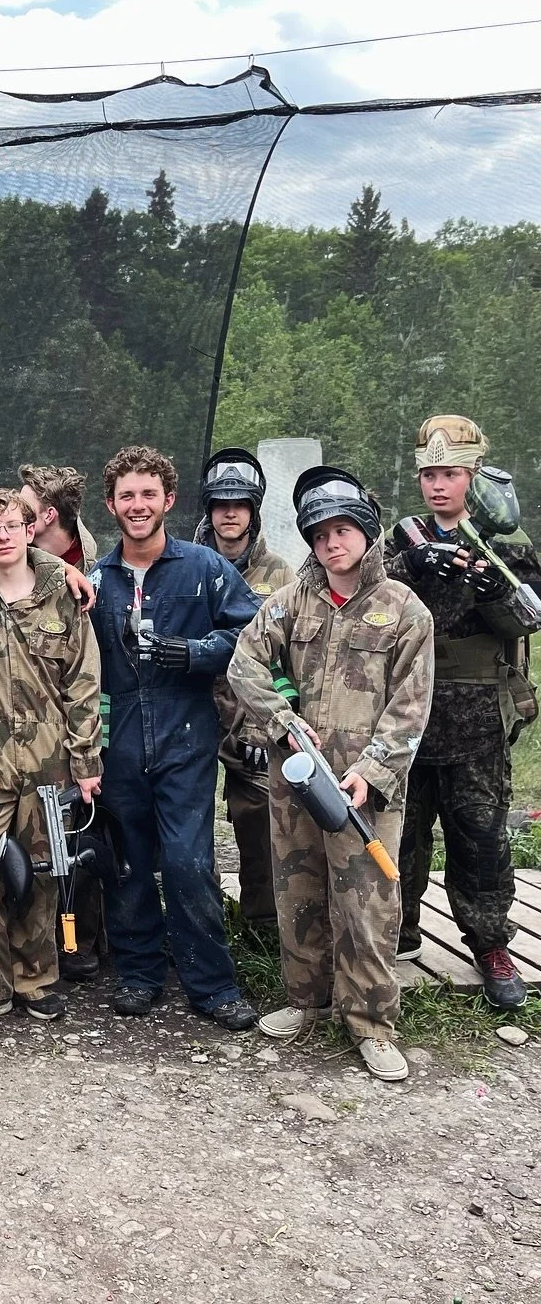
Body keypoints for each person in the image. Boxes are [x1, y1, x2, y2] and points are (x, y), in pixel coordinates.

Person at [230, 467, 434, 1080]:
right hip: (298, 778)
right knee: (299, 892)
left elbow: (412, 703)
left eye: (342, 531)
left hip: (366, 791)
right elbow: (245, 664)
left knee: (367, 904)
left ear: (366, 534)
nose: (330, 545)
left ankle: (371, 1022)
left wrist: (373, 769)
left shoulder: (404, 609)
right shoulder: (294, 599)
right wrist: (282, 721)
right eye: (319, 536)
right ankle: (305, 1002)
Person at [90, 445, 260, 1028]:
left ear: (169, 499)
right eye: (126, 496)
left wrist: (193, 653)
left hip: (187, 737)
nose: (138, 506)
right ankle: (139, 973)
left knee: (189, 864)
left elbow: (250, 637)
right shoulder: (97, 581)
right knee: (129, 864)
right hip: (119, 741)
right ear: (111, 504)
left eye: (148, 494)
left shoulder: (204, 569)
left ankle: (211, 984)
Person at [387, 415, 541, 1008]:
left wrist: (488, 585)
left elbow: (525, 620)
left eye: (450, 473)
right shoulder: (402, 539)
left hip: (477, 715)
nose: (437, 485)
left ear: (474, 477)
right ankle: (395, 928)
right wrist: (414, 569)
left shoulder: (505, 545)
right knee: (401, 833)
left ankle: (490, 942)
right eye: (429, 473)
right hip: (407, 712)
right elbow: (363, 592)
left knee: (480, 836)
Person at [0, 488, 104, 1029]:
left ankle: (36, 977)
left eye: (13, 526)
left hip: (49, 757)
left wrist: (85, 760)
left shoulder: (62, 592)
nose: (3, 536)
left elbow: (82, 681)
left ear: (31, 530)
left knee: (43, 869)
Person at [193, 448, 296, 926]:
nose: (229, 513)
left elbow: (288, 659)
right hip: (191, 708)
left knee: (258, 818)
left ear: (253, 510)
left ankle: (261, 922)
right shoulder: (184, 563)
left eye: (239, 504)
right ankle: (202, 920)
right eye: (220, 504)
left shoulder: (280, 575)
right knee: (188, 825)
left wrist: (264, 732)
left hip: (250, 716)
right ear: (208, 509)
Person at [19, 462, 104, 980]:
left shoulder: (95, 570)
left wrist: (87, 746)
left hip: (87, 722)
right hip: (24, 734)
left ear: (48, 515)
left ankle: (83, 942)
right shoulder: (21, 558)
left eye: (24, 510)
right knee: (35, 842)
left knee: (85, 837)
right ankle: (35, 948)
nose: (12, 519)